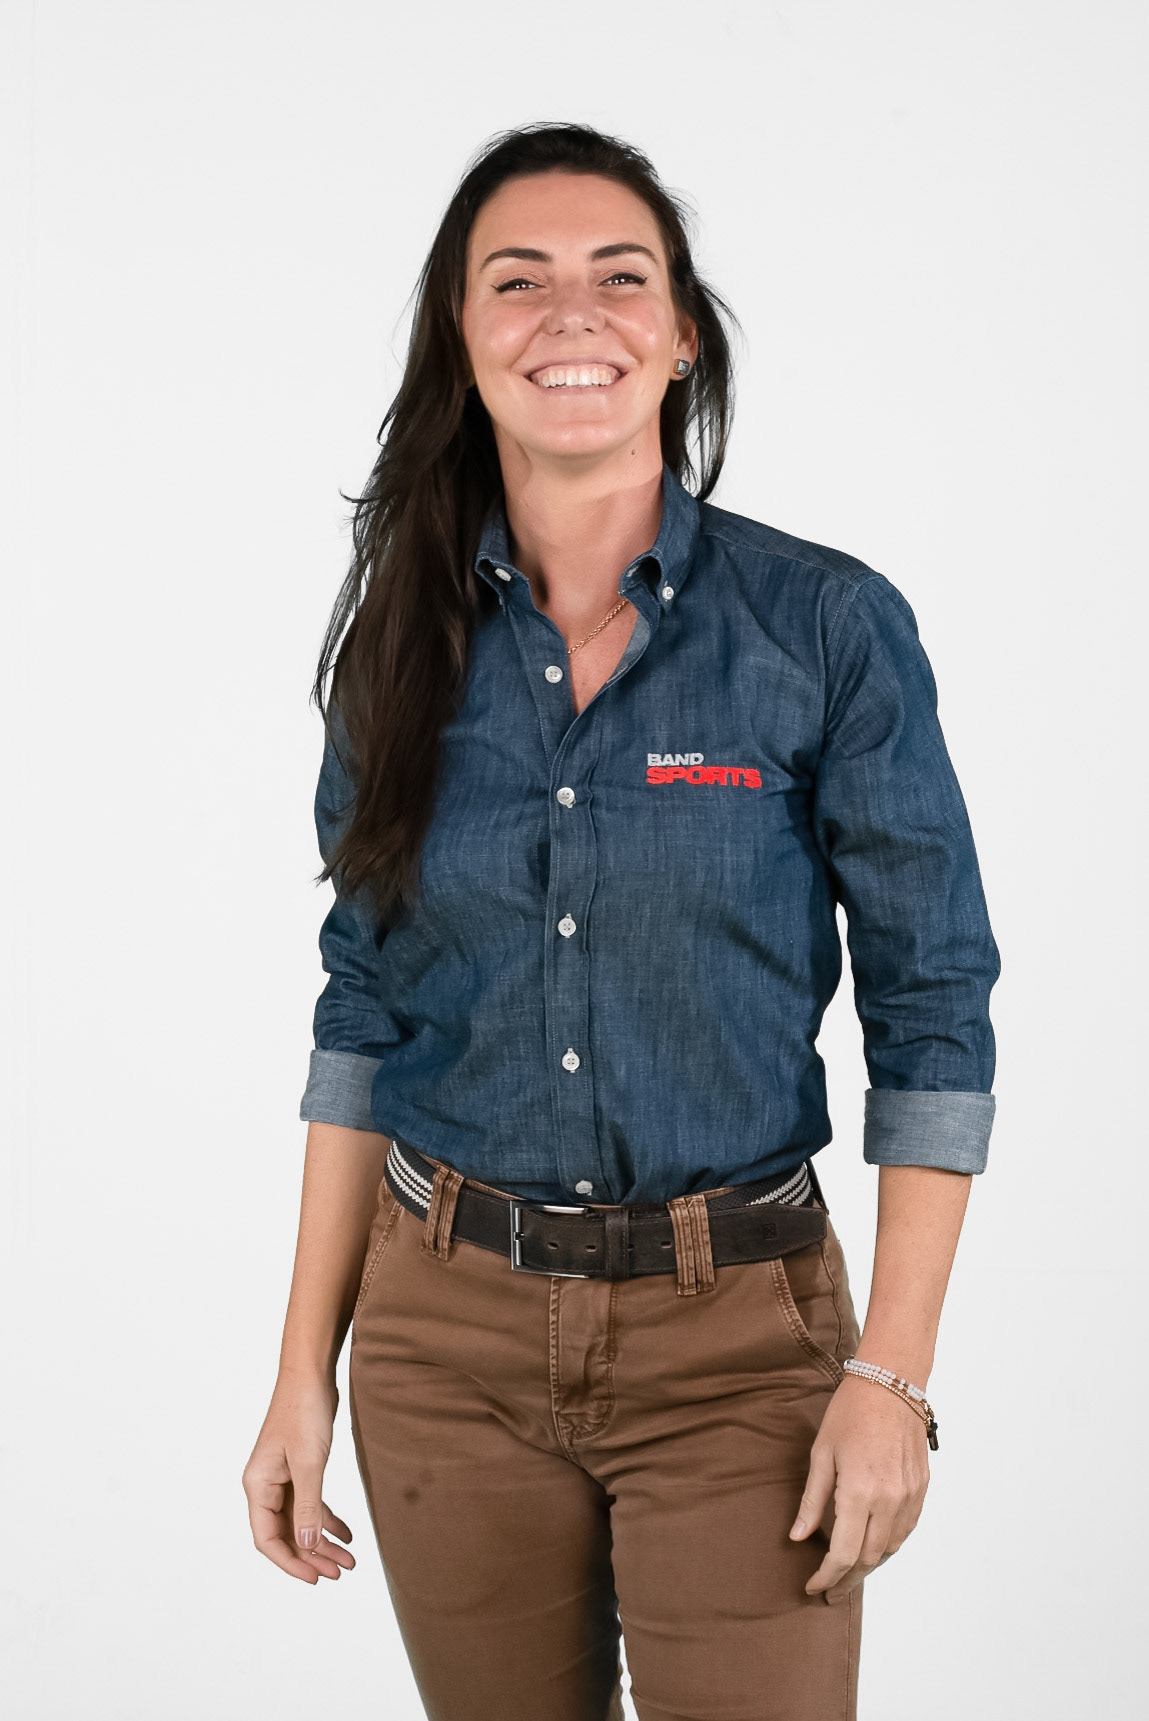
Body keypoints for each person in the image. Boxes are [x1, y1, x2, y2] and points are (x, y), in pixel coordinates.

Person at [242, 121, 1000, 1721]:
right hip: (443, 1342)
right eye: (517, 281)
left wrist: (891, 1372)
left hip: (739, 1343)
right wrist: (301, 1370)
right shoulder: (399, 644)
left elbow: (931, 1007)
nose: (570, 314)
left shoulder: (822, 626)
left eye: (619, 276)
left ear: (680, 336)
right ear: (462, 339)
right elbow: (362, 1007)